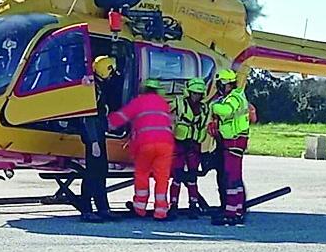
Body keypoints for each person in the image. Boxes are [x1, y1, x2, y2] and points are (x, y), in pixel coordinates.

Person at [108, 79, 174, 221]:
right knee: (162, 177)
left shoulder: (139, 102)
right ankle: (161, 210)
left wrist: (104, 122)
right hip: (166, 144)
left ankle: (139, 208)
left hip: (145, 144)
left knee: (142, 174)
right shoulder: (163, 104)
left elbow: (119, 118)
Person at [210, 69, 251, 227]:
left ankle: (231, 213)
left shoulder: (234, 98)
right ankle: (238, 210)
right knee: (235, 177)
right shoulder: (235, 96)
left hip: (234, 142)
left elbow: (226, 111)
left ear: (226, 84)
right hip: (233, 142)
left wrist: (213, 106)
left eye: (220, 84)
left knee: (231, 179)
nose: (219, 87)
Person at [79, 55, 117, 222]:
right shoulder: (93, 90)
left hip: (98, 134)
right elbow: (88, 117)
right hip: (93, 136)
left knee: (101, 171)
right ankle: (86, 210)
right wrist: (93, 142)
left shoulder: (98, 87)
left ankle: (103, 208)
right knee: (92, 173)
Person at [169, 77, 210, 219]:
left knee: (192, 177)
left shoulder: (205, 108)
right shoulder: (178, 102)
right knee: (177, 177)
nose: (196, 96)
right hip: (179, 143)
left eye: (199, 94)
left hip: (194, 145)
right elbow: (166, 112)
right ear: (189, 92)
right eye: (194, 93)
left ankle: (193, 206)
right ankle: (173, 206)